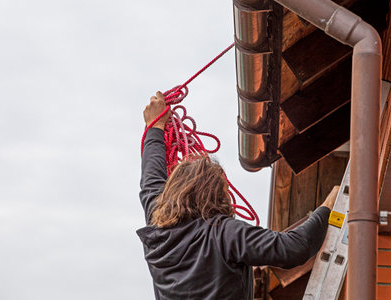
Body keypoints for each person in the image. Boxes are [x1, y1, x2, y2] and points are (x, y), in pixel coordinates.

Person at [137, 91, 338, 300]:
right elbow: (294, 247)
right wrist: (327, 208)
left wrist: (155, 127)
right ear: (214, 196)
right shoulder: (223, 233)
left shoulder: (157, 232)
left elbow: (151, 181)